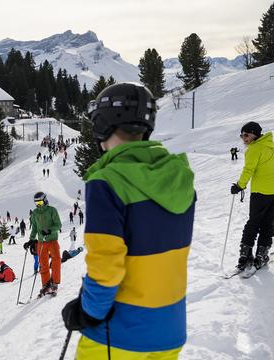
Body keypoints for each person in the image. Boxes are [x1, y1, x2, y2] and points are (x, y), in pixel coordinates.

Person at [61, 83, 195, 359]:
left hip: (119, 333)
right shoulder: (179, 178)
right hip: (169, 330)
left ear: (102, 125)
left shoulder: (107, 182)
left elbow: (107, 265)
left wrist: (88, 312)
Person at [231, 121, 274, 270]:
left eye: (246, 134)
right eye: (242, 135)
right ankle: (261, 254)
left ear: (255, 134)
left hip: (260, 193)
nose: (244, 138)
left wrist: (239, 186)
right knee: (268, 224)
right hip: (272, 193)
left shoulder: (254, 149)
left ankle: (246, 255)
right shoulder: (271, 146)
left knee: (254, 223)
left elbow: (248, 170)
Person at [23, 191, 61, 297]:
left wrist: (50, 230)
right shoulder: (35, 213)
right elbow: (34, 227)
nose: (38, 205)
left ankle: (55, 283)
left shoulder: (52, 210)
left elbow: (58, 225)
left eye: (40, 202)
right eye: (36, 203)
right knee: (43, 263)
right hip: (41, 242)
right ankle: (46, 284)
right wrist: (31, 240)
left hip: (52, 239)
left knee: (56, 260)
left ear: (44, 200)